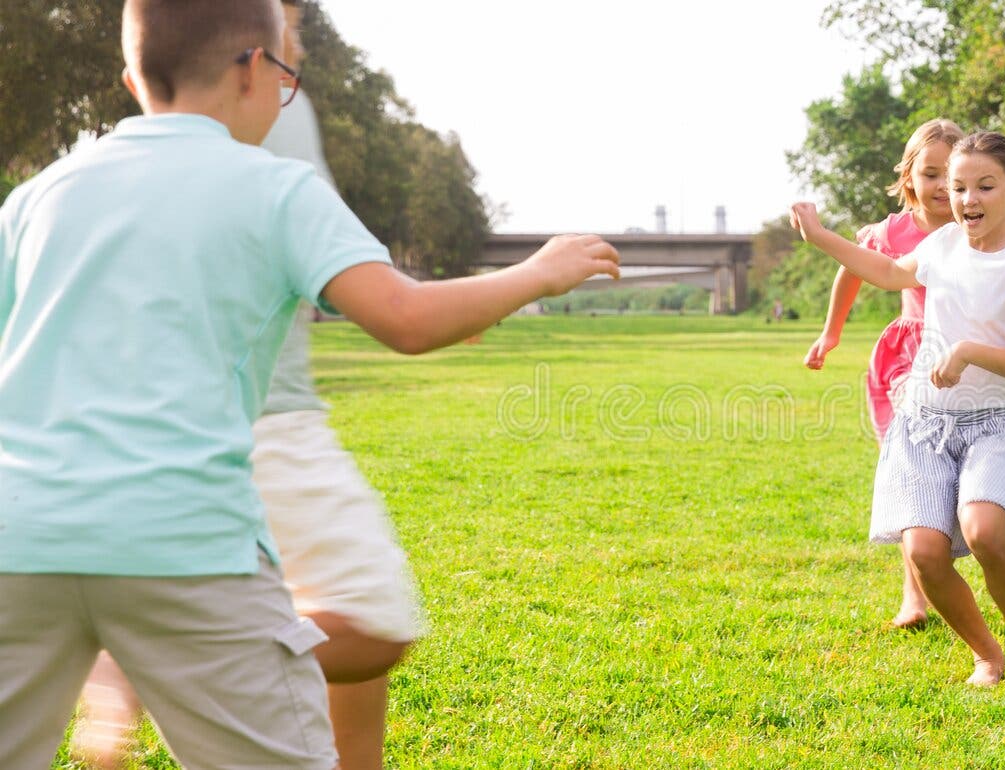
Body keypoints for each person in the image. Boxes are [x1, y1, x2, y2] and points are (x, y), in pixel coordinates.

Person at [0, 1, 618, 766]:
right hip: (184, 544)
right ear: (258, 68)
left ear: (133, 80)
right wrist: (535, 273)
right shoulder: (276, 188)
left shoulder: (37, 198)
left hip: (18, 542)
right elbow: (405, 317)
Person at [69, 2, 422, 768]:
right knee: (371, 615)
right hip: (260, 416)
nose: (292, 33)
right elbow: (365, 287)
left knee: (344, 621)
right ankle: (154, 652)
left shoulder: (112, 153)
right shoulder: (259, 102)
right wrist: (474, 294)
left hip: (175, 421)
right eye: (286, 21)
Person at [791, 131, 1005, 686]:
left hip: (992, 426)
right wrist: (821, 235)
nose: (969, 199)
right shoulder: (942, 244)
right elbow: (885, 273)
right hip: (923, 424)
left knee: (983, 530)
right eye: (958, 187)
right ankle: (986, 655)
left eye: (985, 187)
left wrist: (969, 353)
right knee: (924, 551)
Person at [802, 117, 964, 630]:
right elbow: (852, 269)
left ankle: (942, 570)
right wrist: (831, 333)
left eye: (950, 174)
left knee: (953, 478)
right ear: (909, 177)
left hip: (962, 360)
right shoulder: (893, 231)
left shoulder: (977, 223)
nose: (940, 186)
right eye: (929, 173)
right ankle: (913, 597)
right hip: (906, 357)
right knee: (913, 474)